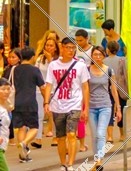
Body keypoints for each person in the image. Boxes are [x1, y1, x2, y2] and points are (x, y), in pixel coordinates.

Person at [44, 36, 89, 170]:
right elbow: (48, 84)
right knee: (61, 137)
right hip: (58, 105)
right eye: (68, 47)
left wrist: (85, 108)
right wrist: (46, 102)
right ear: (62, 48)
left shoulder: (80, 65)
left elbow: (85, 87)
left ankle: (70, 164)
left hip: (74, 105)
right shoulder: (53, 65)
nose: (71, 50)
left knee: (71, 134)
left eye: (73, 48)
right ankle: (63, 163)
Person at [85, 46, 119, 166]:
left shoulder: (109, 70)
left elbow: (114, 90)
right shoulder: (87, 70)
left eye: (100, 54)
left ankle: (99, 159)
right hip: (91, 107)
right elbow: (84, 90)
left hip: (105, 105)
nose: (97, 57)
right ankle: (97, 159)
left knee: (100, 133)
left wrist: (118, 108)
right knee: (94, 135)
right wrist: (83, 107)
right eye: (95, 54)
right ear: (92, 56)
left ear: (104, 56)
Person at [12, 47, 43, 163]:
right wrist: (46, 101)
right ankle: (24, 143)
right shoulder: (35, 70)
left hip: (17, 102)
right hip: (30, 102)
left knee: (21, 127)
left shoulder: (15, 69)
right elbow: (42, 86)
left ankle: (23, 156)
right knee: (34, 127)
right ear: (32, 57)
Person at [34, 31, 59, 148]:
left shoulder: (59, 60)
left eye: (51, 45)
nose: (48, 47)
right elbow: (36, 72)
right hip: (40, 89)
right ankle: (38, 138)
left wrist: (50, 60)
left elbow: (57, 74)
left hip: (54, 90)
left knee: (53, 115)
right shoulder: (40, 58)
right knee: (39, 114)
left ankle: (55, 137)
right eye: (47, 45)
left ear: (55, 48)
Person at [101, 43, 126, 143]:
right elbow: (125, 75)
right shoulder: (122, 60)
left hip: (107, 88)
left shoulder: (103, 61)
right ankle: (122, 134)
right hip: (121, 89)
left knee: (109, 111)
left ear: (107, 49)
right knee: (122, 110)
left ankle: (110, 136)